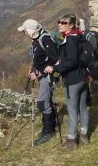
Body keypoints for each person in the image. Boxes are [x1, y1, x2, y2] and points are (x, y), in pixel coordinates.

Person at [44, 14, 90, 149]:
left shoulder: (70, 40)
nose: (59, 24)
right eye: (59, 22)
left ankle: (71, 141)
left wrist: (55, 67)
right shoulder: (79, 36)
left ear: (71, 25)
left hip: (73, 80)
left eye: (63, 23)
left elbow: (71, 61)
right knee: (83, 108)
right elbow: (74, 56)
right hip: (83, 78)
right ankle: (84, 135)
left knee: (72, 110)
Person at [18, 19, 59, 146]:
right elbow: (39, 58)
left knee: (42, 102)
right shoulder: (37, 40)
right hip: (41, 75)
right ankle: (51, 126)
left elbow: (54, 60)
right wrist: (33, 68)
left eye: (25, 31)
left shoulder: (45, 39)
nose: (24, 33)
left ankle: (48, 132)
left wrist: (38, 73)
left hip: (47, 77)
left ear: (32, 30)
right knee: (46, 100)